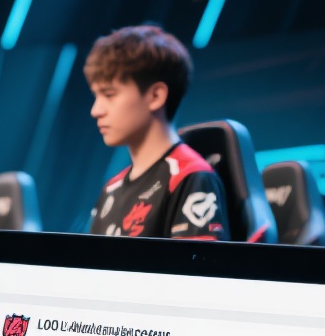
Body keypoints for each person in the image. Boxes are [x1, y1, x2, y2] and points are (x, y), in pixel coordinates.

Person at [83, 25, 228, 241]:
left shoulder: (190, 177)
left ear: (156, 96)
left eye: (109, 94)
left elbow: (197, 264)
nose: (96, 110)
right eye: (96, 96)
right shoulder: (111, 188)